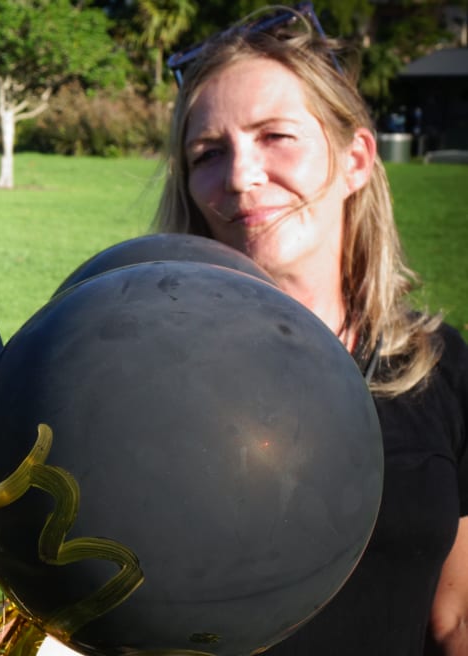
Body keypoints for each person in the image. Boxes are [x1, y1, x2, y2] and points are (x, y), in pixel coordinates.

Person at [154, 5, 468, 655]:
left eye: (275, 136)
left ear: (355, 159)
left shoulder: (442, 369)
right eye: (208, 153)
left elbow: (454, 617)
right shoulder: (150, 372)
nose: (240, 177)